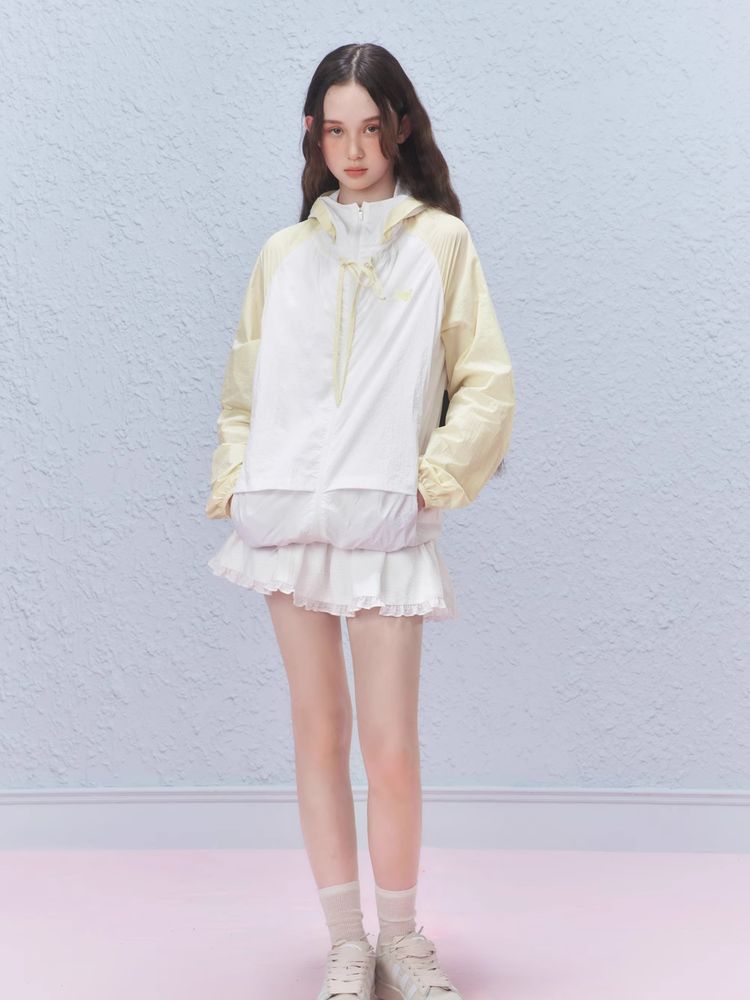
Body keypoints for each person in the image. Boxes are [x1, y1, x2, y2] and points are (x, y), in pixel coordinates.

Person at [205, 42, 515, 1000]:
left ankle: (402, 940)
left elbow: (486, 382)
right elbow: (246, 386)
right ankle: (347, 942)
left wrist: (430, 482)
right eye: (335, 130)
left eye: (371, 129)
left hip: (383, 522)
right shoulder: (283, 254)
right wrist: (236, 482)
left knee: (388, 744)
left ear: (400, 129)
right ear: (313, 134)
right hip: (285, 520)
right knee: (317, 734)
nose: (354, 150)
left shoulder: (440, 244)